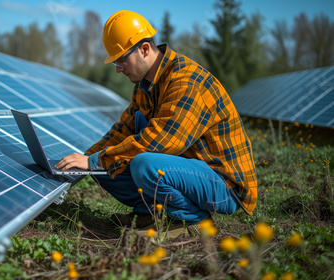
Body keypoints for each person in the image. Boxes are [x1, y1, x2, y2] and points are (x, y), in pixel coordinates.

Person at [55, 10, 257, 233]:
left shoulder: (186, 81)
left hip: (222, 184)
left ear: (144, 49)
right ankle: (150, 213)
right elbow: (124, 129)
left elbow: (165, 139)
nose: (118, 68)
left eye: (122, 59)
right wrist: (87, 160)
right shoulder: (145, 85)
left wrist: (96, 160)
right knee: (104, 165)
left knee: (144, 165)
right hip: (187, 168)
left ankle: (191, 220)